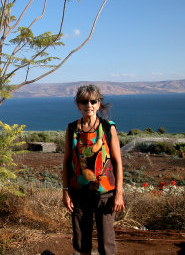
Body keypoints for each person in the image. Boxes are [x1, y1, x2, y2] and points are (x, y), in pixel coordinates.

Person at [62, 84, 125, 255]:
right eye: (84, 101)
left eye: (93, 101)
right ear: (78, 105)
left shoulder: (107, 127)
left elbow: (118, 162)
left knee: (107, 243)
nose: (88, 105)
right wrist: (66, 191)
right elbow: (67, 162)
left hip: (105, 194)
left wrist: (119, 194)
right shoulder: (72, 129)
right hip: (79, 193)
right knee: (82, 242)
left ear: (98, 104)